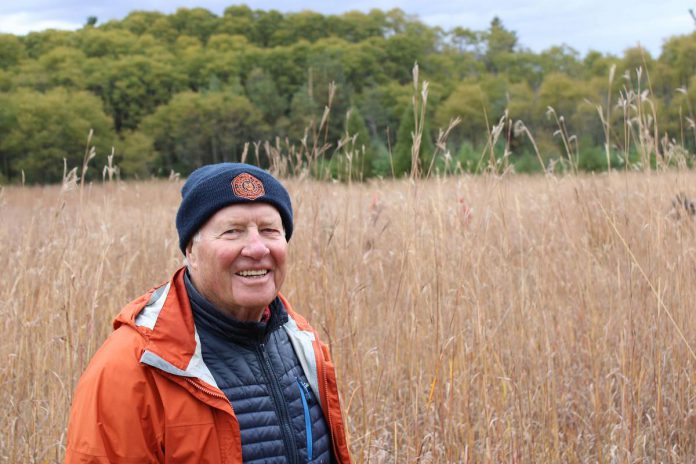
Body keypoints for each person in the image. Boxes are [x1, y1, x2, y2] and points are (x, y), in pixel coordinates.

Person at [65, 163, 352, 463]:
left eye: (269, 230)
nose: (256, 248)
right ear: (191, 251)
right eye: (233, 231)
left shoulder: (302, 343)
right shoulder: (132, 369)